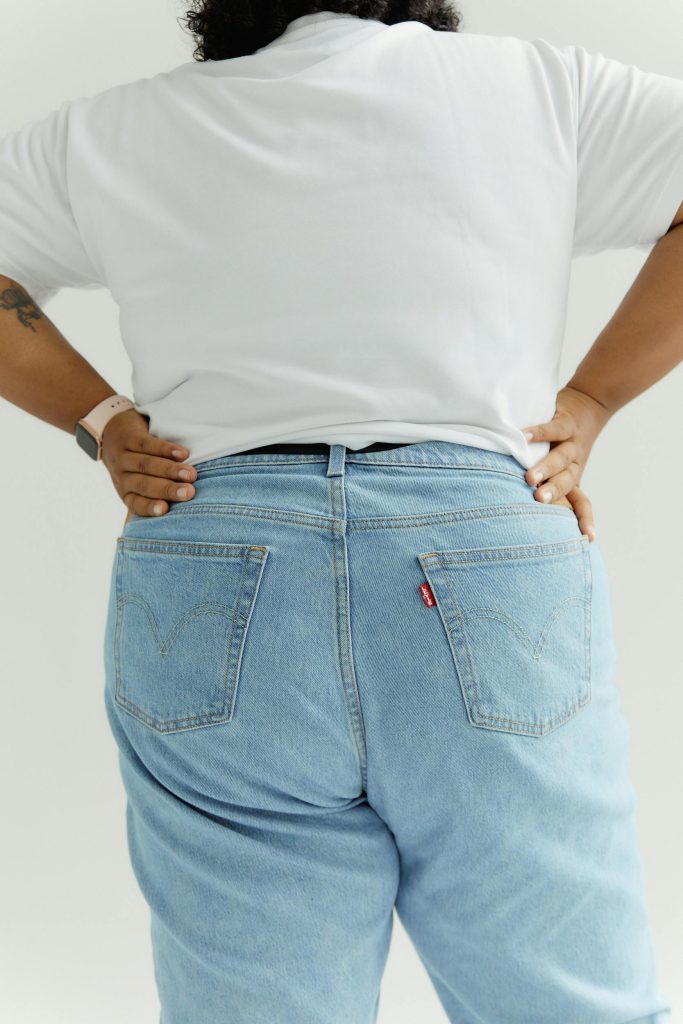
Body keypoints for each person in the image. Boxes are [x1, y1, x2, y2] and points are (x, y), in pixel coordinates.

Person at [0, 3, 681, 1022]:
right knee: (563, 996)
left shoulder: (113, 127)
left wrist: (101, 418)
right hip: (480, 545)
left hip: (212, 541)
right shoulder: (542, 87)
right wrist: (589, 398)